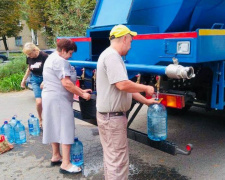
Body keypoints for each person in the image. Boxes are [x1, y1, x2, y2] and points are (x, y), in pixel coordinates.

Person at [96, 24, 159, 180]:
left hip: (109, 116)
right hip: (112, 118)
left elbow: (124, 88)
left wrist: (146, 101)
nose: (131, 46)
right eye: (130, 41)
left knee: (112, 158)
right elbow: (123, 84)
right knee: (117, 162)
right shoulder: (112, 56)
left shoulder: (111, 56)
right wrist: (146, 87)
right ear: (124, 38)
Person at [42, 38, 91, 174]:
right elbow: (67, 84)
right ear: (63, 51)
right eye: (70, 53)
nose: (71, 56)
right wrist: (82, 94)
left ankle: (56, 155)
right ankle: (66, 163)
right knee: (66, 128)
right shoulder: (60, 61)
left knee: (54, 126)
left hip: (50, 97)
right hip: (59, 99)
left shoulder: (51, 57)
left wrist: (81, 91)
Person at [21, 43, 48, 128]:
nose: (29, 56)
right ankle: (40, 118)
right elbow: (29, 69)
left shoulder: (44, 56)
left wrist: (45, 80)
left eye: (29, 54)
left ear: (34, 50)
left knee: (48, 102)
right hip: (35, 80)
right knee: (39, 102)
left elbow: (50, 69)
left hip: (46, 80)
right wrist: (23, 80)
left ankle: (49, 119)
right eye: (27, 54)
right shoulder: (29, 57)